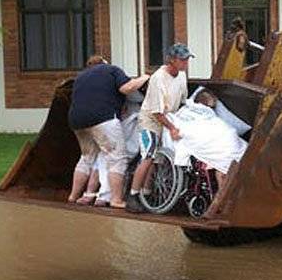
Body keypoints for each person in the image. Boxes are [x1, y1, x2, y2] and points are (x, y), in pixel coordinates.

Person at [66, 56, 150, 209]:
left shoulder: (81, 76)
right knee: (117, 157)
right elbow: (127, 88)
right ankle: (116, 200)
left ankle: (73, 196)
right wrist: (145, 77)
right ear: (104, 62)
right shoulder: (111, 70)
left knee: (86, 157)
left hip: (76, 120)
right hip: (102, 117)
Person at [126, 43, 195, 213]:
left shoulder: (181, 76)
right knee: (148, 155)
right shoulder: (158, 78)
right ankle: (133, 195)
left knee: (159, 160)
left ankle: (148, 193)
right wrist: (172, 128)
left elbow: (182, 101)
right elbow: (156, 112)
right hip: (150, 119)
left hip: (169, 116)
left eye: (187, 59)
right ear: (171, 60)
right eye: (182, 60)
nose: (186, 63)